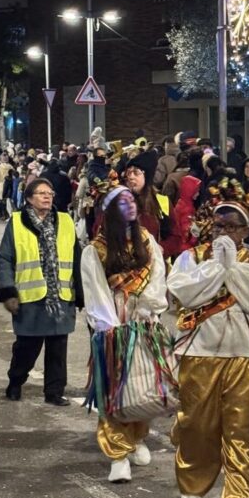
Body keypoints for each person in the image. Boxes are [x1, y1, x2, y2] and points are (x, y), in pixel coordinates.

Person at [167, 184, 249, 498]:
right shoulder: (191, 258)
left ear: (246, 230)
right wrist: (219, 267)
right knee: (197, 423)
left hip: (242, 354)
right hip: (198, 352)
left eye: (234, 226)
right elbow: (183, 292)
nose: (226, 232)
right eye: (220, 226)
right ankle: (193, 481)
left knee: (241, 428)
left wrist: (234, 268)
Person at [81, 181, 171, 482]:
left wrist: (150, 309)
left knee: (143, 384)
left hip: (144, 321)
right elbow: (96, 291)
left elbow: (158, 277)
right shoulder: (96, 250)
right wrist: (112, 329)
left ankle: (137, 437)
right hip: (115, 325)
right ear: (109, 211)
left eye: (131, 199)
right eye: (123, 202)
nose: (131, 205)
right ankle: (117, 454)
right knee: (114, 389)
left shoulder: (146, 240)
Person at [0, 178, 83, 406]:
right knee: (26, 348)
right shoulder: (16, 222)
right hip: (30, 299)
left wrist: (82, 291)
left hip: (60, 297)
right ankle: (16, 380)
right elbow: (5, 258)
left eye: (50, 193)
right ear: (28, 198)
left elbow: (77, 258)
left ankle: (54, 392)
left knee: (58, 348)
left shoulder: (65, 221)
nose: (47, 197)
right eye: (41, 193)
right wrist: (8, 290)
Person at [122, 151, 177, 261]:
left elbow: (176, 236)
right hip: (127, 269)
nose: (131, 177)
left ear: (146, 176)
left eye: (136, 172)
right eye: (128, 173)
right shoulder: (120, 202)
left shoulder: (162, 202)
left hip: (157, 267)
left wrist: (162, 248)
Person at [171, 175, 202, 255]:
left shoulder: (182, 203)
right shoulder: (187, 209)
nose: (198, 193)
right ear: (190, 191)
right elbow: (187, 232)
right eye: (196, 190)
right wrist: (197, 234)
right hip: (185, 249)